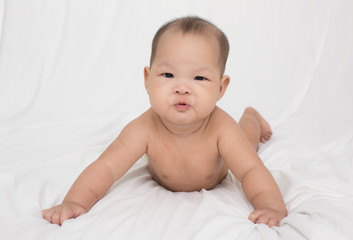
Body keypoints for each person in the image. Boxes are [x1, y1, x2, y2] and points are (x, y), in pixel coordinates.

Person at [42, 16, 287, 228]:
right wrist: (75, 201)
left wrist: (270, 206)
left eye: (199, 77)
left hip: (221, 168)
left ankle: (251, 117)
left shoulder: (221, 128)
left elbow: (251, 170)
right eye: (168, 75)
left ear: (221, 88)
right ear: (148, 79)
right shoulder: (144, 128)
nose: (182, 88)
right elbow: (106, 167)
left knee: (247, 141)